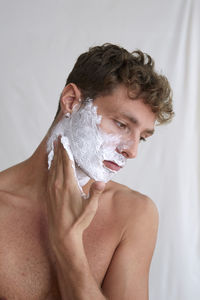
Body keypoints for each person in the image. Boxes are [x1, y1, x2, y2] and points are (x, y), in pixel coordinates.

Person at [0, 43, 174, 300]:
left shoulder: (133, 214)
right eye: (121, 124)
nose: (133, 150)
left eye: (143, 137)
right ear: (71, 101)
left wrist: (68, 244)